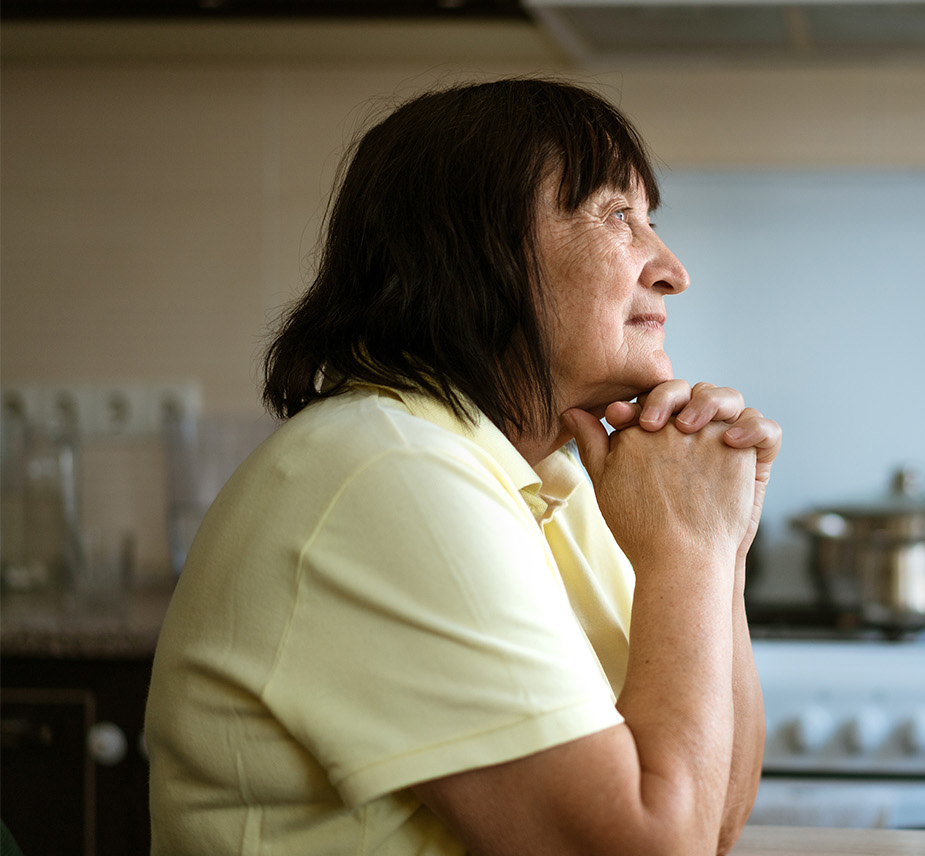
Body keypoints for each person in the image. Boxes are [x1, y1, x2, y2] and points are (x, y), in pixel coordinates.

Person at [144, 77, 779, 856]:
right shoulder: (385, 473)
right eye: (619, 216)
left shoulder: (553, 479)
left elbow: (713, 823)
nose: (672, 269)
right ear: (477, 253)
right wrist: (690, 553)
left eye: (651, 221)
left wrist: (720, 544)